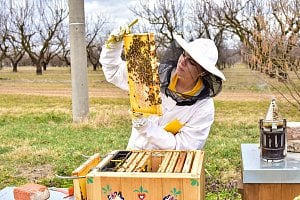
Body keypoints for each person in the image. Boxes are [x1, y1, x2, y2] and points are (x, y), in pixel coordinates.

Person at [100, 31, 226, 150]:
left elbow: (182, 146)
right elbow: (113, 71)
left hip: (171, 166)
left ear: (203, 72)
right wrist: (113, 46)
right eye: (184, 55)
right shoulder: (150, 74)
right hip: (135, 153)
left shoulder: (203, 108)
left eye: (191, 62)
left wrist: (144, 126)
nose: (182, 62)